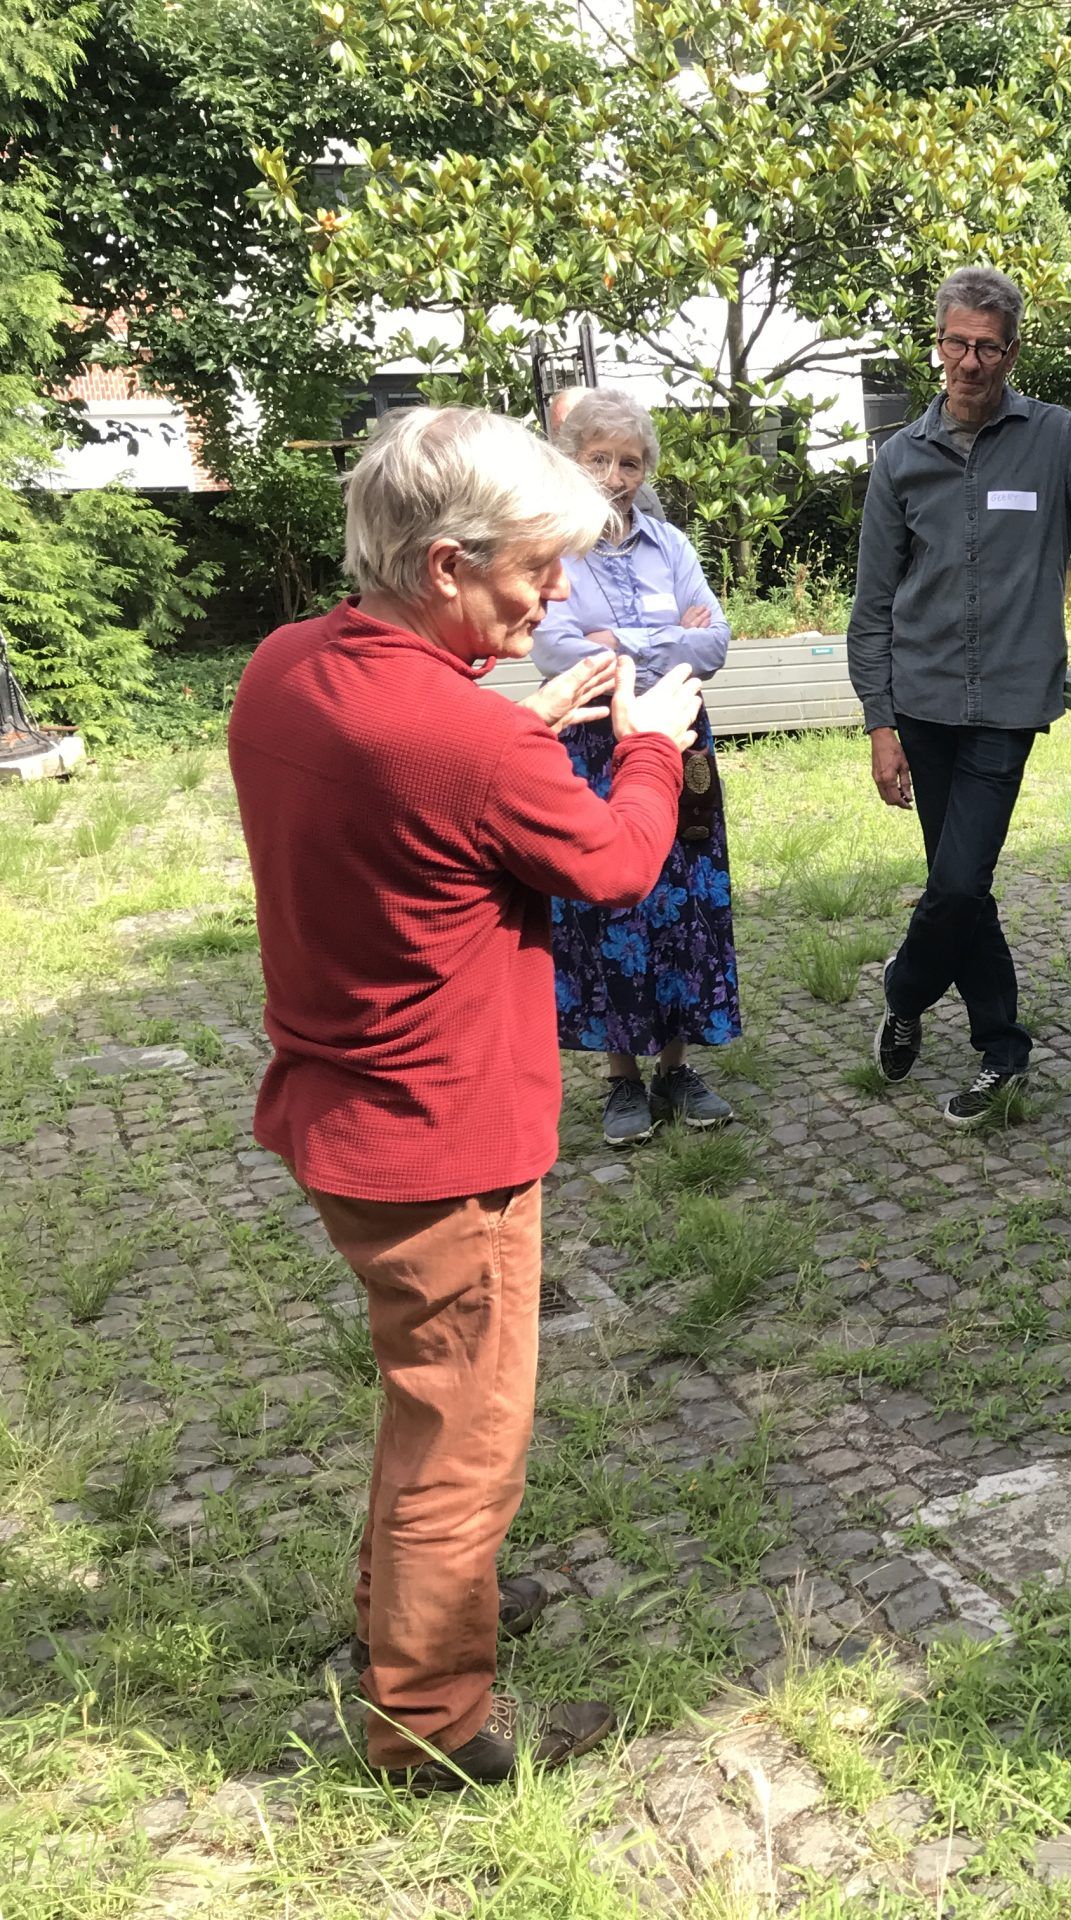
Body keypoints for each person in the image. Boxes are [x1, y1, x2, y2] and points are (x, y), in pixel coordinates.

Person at [228, 406, 705, 1786]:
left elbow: (411, 783)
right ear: (444, 564)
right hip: (447, 1142)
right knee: (468, 1435)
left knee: (418, 1392)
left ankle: (402, 1616)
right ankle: (425, 1724)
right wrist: (650, 743)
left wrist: (510, 719)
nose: (556, 594)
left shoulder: (283, 668)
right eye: (535, 570)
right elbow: (614, 862)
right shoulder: (465, 743)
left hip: (338, 1107)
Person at [851, 265, 1071, 1124]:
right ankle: (1001, 1051)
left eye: (988, 347)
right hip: (923, 703)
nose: (970, 362)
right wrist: (879, 723)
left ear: (1013, 351)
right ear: (937, 344)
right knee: (960, 887)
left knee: (960, 881)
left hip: (1008, 704)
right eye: (956, 343)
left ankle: (904, 993)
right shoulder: (901, 460)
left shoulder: (1058, 440)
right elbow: (870, 607)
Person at [531, 388, 741, 1146]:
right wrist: (662, 632)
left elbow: (715, 644)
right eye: (598, 460)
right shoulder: (550, 549)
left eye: (629, 462)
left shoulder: (670, 544)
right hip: (591, 739)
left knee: (685, 899)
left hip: (681, 736)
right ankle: (621, 1079)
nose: (614, 477)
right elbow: (555, 647)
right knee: (607, 901)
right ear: (571, 462)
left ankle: (678, 1067)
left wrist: (616, 638)